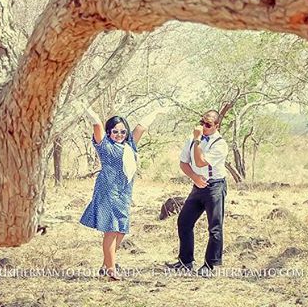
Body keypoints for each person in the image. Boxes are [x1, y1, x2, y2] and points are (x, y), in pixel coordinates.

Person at [79, 106, 160, 281]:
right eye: (115, 131)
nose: (119, 134)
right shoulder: (106, 147)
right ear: (109, 133)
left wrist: (157, 111)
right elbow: (97, 125)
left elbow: (140, 128)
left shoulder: (129, 146)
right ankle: (111, 270)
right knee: (111, 230)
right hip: (108, 192)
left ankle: (105, 265)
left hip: (124, 194)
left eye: (123, 131)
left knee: (121, 230)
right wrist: (86, 109)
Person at [165, 110, 229, 277]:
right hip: (197, 185)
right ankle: (185, 262)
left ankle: (210, 265)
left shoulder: (220, 144)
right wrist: (194, 177)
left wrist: (197, 140)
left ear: (216, 126)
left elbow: (200, 161)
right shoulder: (192, 140)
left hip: (214, 186)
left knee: (215, 226)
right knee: (184, 221)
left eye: (208, 125)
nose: (203, 127)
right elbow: (184, 163)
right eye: (202, 122)